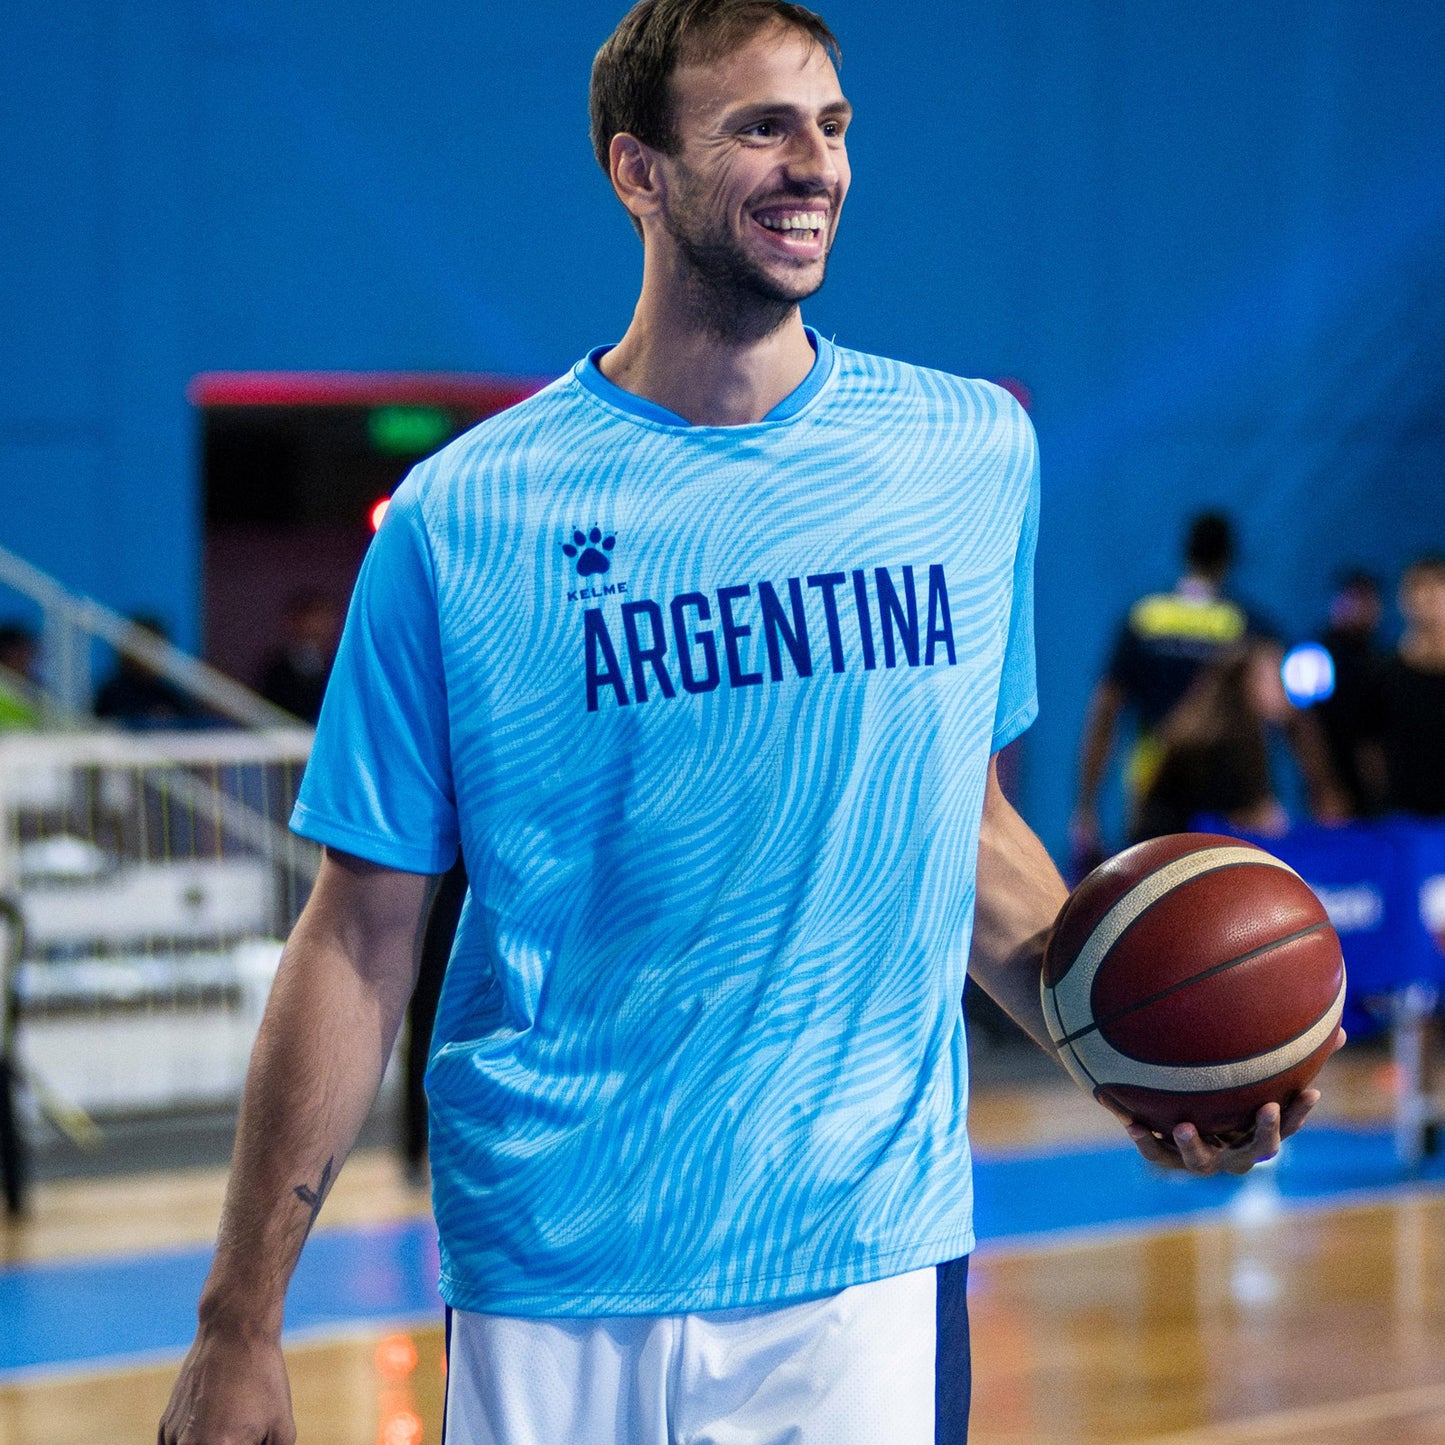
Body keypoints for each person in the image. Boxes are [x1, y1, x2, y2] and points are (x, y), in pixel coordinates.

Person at [159, 6, 1328, 1442]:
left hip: (859, 1261)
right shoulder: (464, 519)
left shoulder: (965, 457)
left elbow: (955, 830)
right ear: (634, 171)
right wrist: (240, 1317)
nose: (814, 166)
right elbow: (358, 930)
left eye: (833, 127)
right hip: (551, 1256)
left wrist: (1132, 1059)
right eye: (760, 127)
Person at [1367, 555, 1445, 818]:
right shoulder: (1383, 673)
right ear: (1403, 599)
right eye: (1418, 588)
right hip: (1403, 819)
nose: (1428, 597)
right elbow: (1369, 746)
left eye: (1437, 587)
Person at [1313, 569, 1387, 817]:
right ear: (1337, 603)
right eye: (1353, 598)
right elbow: (1305, 726)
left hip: (1378, 798)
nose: (1360, 608)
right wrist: (1325, 786)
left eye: (1367, 600)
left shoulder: (1380, 660)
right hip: (1330, 789)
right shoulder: (1316, 657)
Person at [255, 589, 342, 725]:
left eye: (325, 617)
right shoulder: (278, 670)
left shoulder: (338, 666)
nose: (318, 626)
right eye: (313, 616)